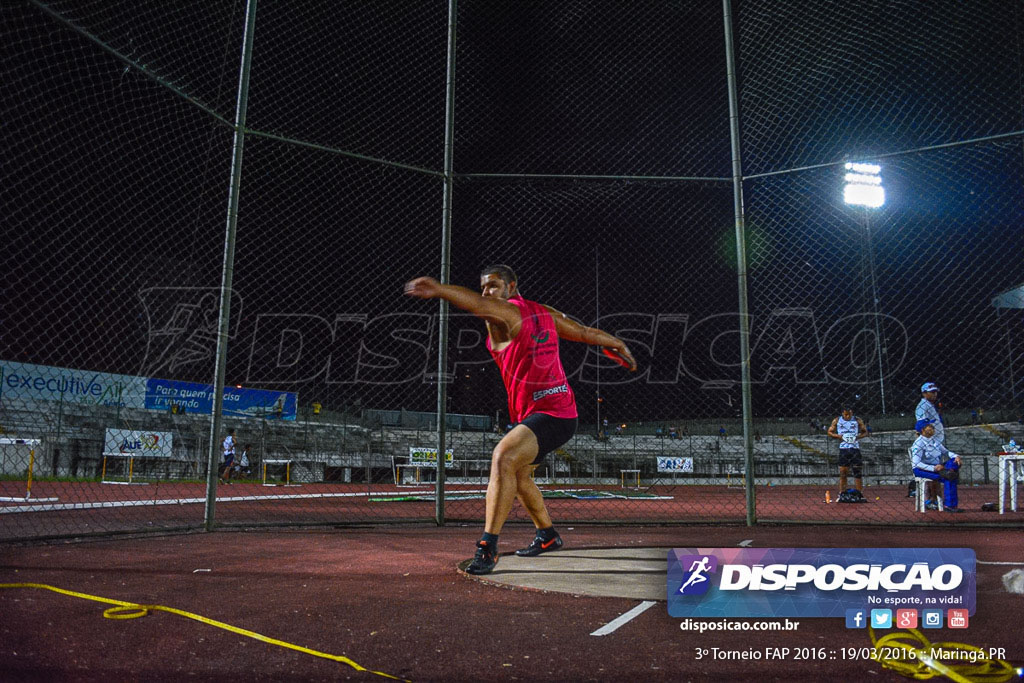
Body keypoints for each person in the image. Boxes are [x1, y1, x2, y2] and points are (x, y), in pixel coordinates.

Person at [404, 265, 636, 575]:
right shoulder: (541, 312)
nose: (488, 292)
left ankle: (487, 546)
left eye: (494, 286)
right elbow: (582, 332)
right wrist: (616, 343)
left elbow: (476, 304)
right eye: (484, 286)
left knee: (503, 457)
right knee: (521, 477)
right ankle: (547, 535)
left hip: (554, 413)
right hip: (548, 413)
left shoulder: (507, 314)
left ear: (512, 286)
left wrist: (438, 289)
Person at [910, 418, 963, 512]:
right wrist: (933, 468)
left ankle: (950, 472)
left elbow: (946, 452)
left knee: (953, 462)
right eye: (929, 426)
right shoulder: (918, 444)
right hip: (922, 469)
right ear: (923, 430)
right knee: (949, 477)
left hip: (938, 467)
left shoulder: (934, 440)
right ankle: (949, 506)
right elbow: (916, 463)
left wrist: (956, 456)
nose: (932, 427)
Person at [827, 405, 868, 496]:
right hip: (844, 449)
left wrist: (857, 437)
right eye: (846, 415)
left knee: (857, 472)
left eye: (849, 414)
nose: (848, 416)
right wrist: (839, 436)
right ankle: (842, 493)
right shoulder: (837, 420)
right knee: (843, 472)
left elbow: (865, 432)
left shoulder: (857, 420)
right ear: (842, 414)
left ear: (852, 412)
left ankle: (859, 493)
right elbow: (829, 432)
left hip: (855, 448)